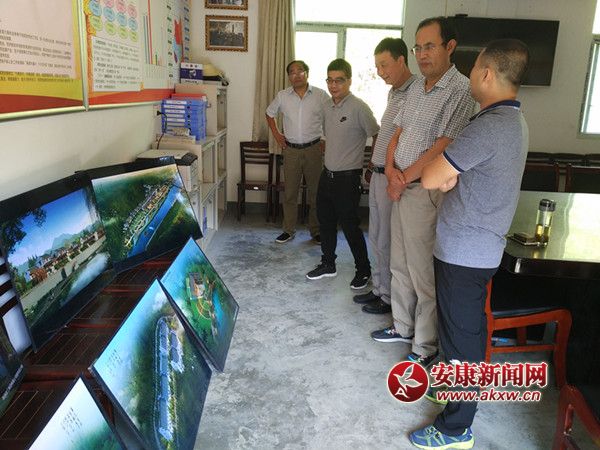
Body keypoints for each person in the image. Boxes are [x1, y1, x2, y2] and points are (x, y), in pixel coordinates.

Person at [409, 39, 530, 450]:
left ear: (487, 74)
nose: (471, 74)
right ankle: (453, 391)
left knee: (462, 340)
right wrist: (448, 175)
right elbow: (450, 175)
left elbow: (431, 177)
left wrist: (444, 175)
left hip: (466, 250)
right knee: (463, 333)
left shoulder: (489, 126)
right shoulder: (513, 121)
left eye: (475, 67)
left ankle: (455, 429)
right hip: (475, 246)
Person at [370, 17, 475, 367]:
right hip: (400, 186)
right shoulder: (416, 87)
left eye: (430, 46)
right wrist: (390, 171)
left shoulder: (460, 90)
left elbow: (444, 146)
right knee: (399, 263)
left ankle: (425, 345)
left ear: (450, 47)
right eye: (418, 47)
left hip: (423, 192)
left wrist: (403, 177)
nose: (423, 54)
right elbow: (397, 133)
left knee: (421, 272)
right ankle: (402, 326)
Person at [353, 38, 416, 315]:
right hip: (379, 173)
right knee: (377, 236)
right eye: (377, 66)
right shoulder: (394, 92)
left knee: (389, 240)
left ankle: (389, 297)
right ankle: (379, 288)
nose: (380, 72)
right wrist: (372, 166)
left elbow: (405, 138)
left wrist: (391, 173)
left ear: (401, 60)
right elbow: (386, 134)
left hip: (393, 176)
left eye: (384, 65)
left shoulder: (415, 92)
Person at [306, 58, 379, 290]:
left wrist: (371, 166)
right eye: (330, 80)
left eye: (339, 80)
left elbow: (377, 134)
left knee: (350, 227)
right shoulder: (327, 106)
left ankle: (363, 270)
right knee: (325, 222)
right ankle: (328, 264)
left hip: (348, 179)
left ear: (349, 81)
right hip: (327, 175)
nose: (333, 85)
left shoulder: (359, 107)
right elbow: (328, 136)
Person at [266, 60, 329, 244]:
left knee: (316, 193)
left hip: (314, 149)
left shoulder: (320, 95)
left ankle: (316, 231)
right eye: (292, 72)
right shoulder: (282, 96)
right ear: (289, 77)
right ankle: (288, 230)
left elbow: (330, 116)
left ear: (307, 73)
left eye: (300, 71)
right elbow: (269, 114)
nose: (296, 75)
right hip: (291, 151)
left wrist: (325, 138)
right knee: (290, 193)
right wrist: (277, 135)